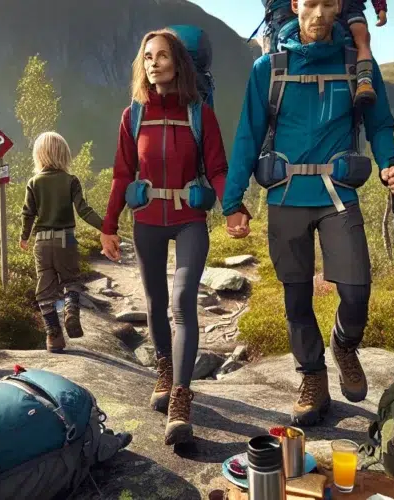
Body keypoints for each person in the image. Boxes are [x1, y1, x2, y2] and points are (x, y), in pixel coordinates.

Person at [222, 0, 394, 427]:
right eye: (311, 2)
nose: (320, 12)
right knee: (296, 297)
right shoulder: (268, 68)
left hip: (338, 195)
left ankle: (344, 344)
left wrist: (390, 162)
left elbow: (379, 124)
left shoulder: (359, 66)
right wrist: (234, 201)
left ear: (339, 7)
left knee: (356, 289)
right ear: (295, 5)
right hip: (286, 195)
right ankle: (312, 378)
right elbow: (248, 135)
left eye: (329, 3)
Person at [99, 29, 242, 446]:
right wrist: (109, 224)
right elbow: (122, 174)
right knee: (155, 303)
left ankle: (181, 395)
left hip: (189, 219)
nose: (153, 62)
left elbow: (217, 167)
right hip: (147, 222)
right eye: (147, 56)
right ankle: (164, 368)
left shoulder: (200, 114)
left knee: (181, 301)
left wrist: (232, 206)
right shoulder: (133, 116)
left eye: (161, 56)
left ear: (178, 63)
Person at [18, 131, 105, 353]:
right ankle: (71, 310)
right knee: (71, 280)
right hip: (66, 240)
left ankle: (53, 337)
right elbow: (84, 210)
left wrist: (24, 236)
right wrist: (107, 227)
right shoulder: (71, 181)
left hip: (42, 243)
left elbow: (28, 213)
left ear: (39, 155)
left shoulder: (34, 182)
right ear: (63, 154)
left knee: (44, 289)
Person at [260, 0, 388, 108]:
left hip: (349, 8)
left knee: (362, 39)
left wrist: (380, 8)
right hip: (339, 7)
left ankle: (364, 82)